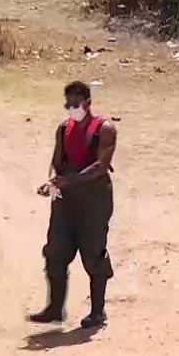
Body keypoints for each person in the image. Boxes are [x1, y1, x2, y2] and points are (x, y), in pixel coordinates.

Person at [29, 81, 117, 328]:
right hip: (66, 202)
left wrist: (69, 180)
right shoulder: (63, 129)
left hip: (94, 202)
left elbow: (100, 167)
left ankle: (97, 312)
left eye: (75, 104)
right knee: (55, 253)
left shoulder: (105, 129)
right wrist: (52, 183)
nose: (71, 108)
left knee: (93, 256)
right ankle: (55, 308)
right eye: (67, 104)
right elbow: (58, 161)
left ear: (88, 103)